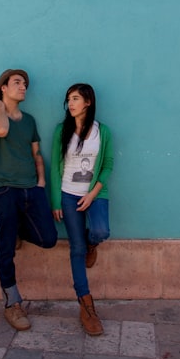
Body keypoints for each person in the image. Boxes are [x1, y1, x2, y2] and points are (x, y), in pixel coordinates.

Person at [0, 68, 58, 332]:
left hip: (31, 189)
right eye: (17, 83)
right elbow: (0, 131)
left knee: (49, 239)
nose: (23, 87)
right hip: (4, 189)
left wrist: (41, 183)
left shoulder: (30, 121)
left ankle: (10, 226)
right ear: (3, 88)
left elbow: (36, 154)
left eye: (25, 83)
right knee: (6, 248)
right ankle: (12, 304)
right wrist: (0, 108)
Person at [49, 83, 114, 336]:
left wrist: (93, 193)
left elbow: (107, 164)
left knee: (100, 231)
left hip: (95, 193)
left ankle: (92, 244)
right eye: (68, 99)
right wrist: (56, 201)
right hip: (67, 194)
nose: (71, 103)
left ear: (88, 102)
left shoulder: (103, 131)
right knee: (75, 248)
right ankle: (86, 305)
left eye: (75, 98)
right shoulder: (61, 130)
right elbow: (55, 166)